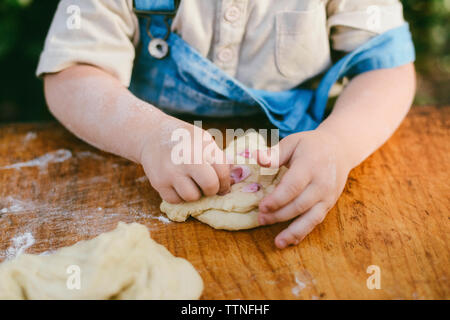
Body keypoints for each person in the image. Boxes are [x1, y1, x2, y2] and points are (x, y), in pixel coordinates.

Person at [37, 0, 416, 249]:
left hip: (301, 148)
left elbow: (386, 69)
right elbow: (72, 74)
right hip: (140, 149)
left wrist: (340, 143)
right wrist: (147, 134)